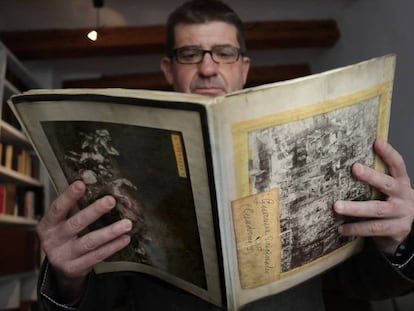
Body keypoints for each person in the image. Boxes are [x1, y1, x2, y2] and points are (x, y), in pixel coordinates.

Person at [37, 0, 414, 310]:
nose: (207, 68)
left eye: (223, 52)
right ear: (169, 69)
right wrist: (66, 280)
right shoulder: (124, 169)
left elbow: (363, 284)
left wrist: (395, 242)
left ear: (243, 67)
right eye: (190, 54)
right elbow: (105, 296)